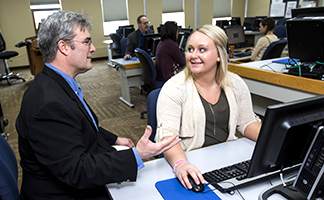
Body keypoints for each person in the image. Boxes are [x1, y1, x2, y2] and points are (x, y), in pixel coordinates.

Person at [16, 11, 180, 200]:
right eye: (86, 42)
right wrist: (138, 155)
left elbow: (79, 125)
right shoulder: (49, 104)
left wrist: (115, 139)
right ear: (63, 47)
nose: (93, 48)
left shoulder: (56, 83)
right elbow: (78, 171)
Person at [154, 24, 262, 191]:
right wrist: (181, 164)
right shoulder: (173, 88)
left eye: (202, 50)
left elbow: (247, 122)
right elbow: (167, 137)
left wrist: (272, 139)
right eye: (190, 49)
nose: (193, 55)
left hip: (227, 158)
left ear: (219, 55)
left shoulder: (235, 84)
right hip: (191, 159)